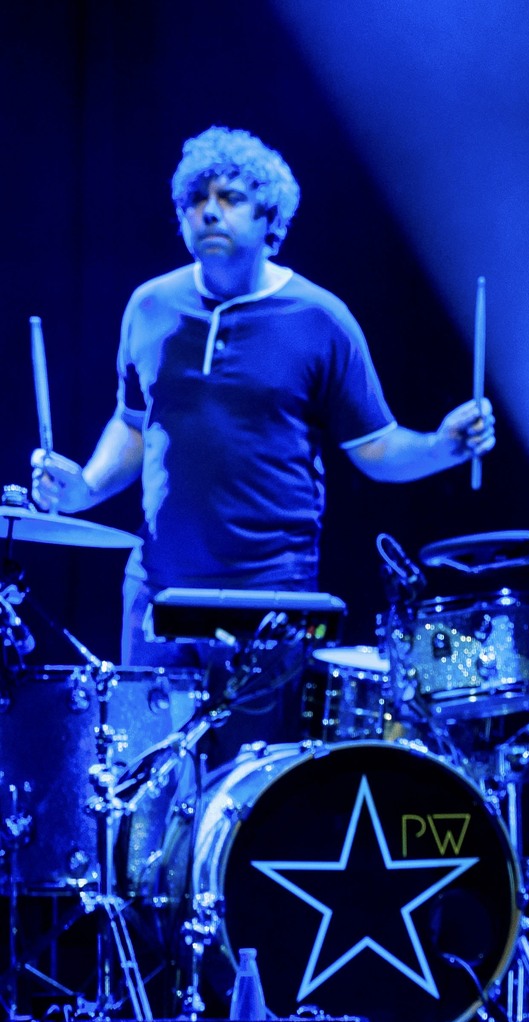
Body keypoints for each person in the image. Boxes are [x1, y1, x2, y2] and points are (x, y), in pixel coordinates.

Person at [28, 126, 493, 711]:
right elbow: (134, 423)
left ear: (270, 218)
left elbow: (376, 449)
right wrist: (86, 487)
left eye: (230, 198)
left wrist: (442, 446)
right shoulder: (149, 306)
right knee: (147, 766)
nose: (209, 212)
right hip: (156, 588)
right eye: (195, 200)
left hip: (270, 597)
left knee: (254, 769)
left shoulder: (321, 319)